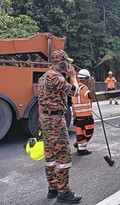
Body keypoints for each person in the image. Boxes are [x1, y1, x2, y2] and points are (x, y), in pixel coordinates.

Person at [38, 49, 82, 203]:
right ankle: (64, 193)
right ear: (62, 62)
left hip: (44, 118)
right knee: (63, 156)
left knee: (50, 156)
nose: (68, 65)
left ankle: (53, 188)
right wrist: (73, 77)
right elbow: (74, 92)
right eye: (66, 62)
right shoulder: (57, 78)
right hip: (55, 120)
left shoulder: (43, 78)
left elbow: (40, 101)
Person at [72, 69, 96, 156]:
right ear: (85, 78)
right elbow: (91, 95)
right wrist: (93, 84)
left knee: (80, 133)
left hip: (78, 117)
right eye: (88, 79)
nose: (88, 80)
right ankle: (80, 145)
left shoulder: (75, 89)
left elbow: (73, 104)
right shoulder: (84, 88)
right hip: (86, 117)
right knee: (89, 132)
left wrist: (74, 114)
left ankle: (81, 149)